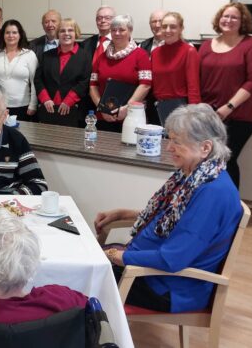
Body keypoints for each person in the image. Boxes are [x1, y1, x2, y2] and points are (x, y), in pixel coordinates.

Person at [95, 104, 242, 313]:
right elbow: (176, 219)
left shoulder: (213, 193)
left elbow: (173, 258)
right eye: (169, 139)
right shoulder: (196, 176)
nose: (169, 147)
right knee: (84, 260)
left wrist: (116, 256)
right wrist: (125, 214)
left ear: (205, 148)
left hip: (168, 286)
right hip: (152, 270)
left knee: (82, 273)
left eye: (177, 142)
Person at [199, 3, 252, 188]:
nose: (228, 20)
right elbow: (198, 79)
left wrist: (228, 107)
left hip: (238, 116)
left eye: (234, 17)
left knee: (226, 160)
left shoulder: (251, 44)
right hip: (208, 115)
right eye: (225, 16)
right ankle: (210, 204)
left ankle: (232, 209)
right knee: (206, 161)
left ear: (242, 21)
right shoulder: (206, 46)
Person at [89, 14, 151, 132]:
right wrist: (102, 108)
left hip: (131, 118)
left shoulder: (141, 55)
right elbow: (93, 85)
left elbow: (146, 85)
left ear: (130, 31)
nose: (117, 33)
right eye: (113, 30)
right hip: (103, 118)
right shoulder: (101, 57)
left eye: (122, 30)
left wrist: (127, 108)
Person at [34, 18, 91, 127]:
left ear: (76, 33)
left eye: (70, 30)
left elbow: (85, 81)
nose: (66, 34)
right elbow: (38, 79)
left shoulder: (85, 56)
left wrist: (69, 100)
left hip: (72, 109)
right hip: (48, 108)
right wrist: (45, 99)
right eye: (62, 31)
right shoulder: (47, 55)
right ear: (57, 34)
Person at [0, 19, 38, 122]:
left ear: (20, 35)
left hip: (24, 107)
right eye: (7, 32)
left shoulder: (29, 54)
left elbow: (35, 81)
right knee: (2, 136)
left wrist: (33, 105)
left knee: (21, 136)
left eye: (14, 32)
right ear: (2, 35)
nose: (11, 35)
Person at [150, 12, 201, 124]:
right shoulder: (155, 53)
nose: (168, 30)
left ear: (181, 28)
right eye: (164, 27)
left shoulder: (189, 51)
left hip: (180, 108)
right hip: (158, 106)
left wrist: (193, 113)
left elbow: (193, 86)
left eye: (173, 27)